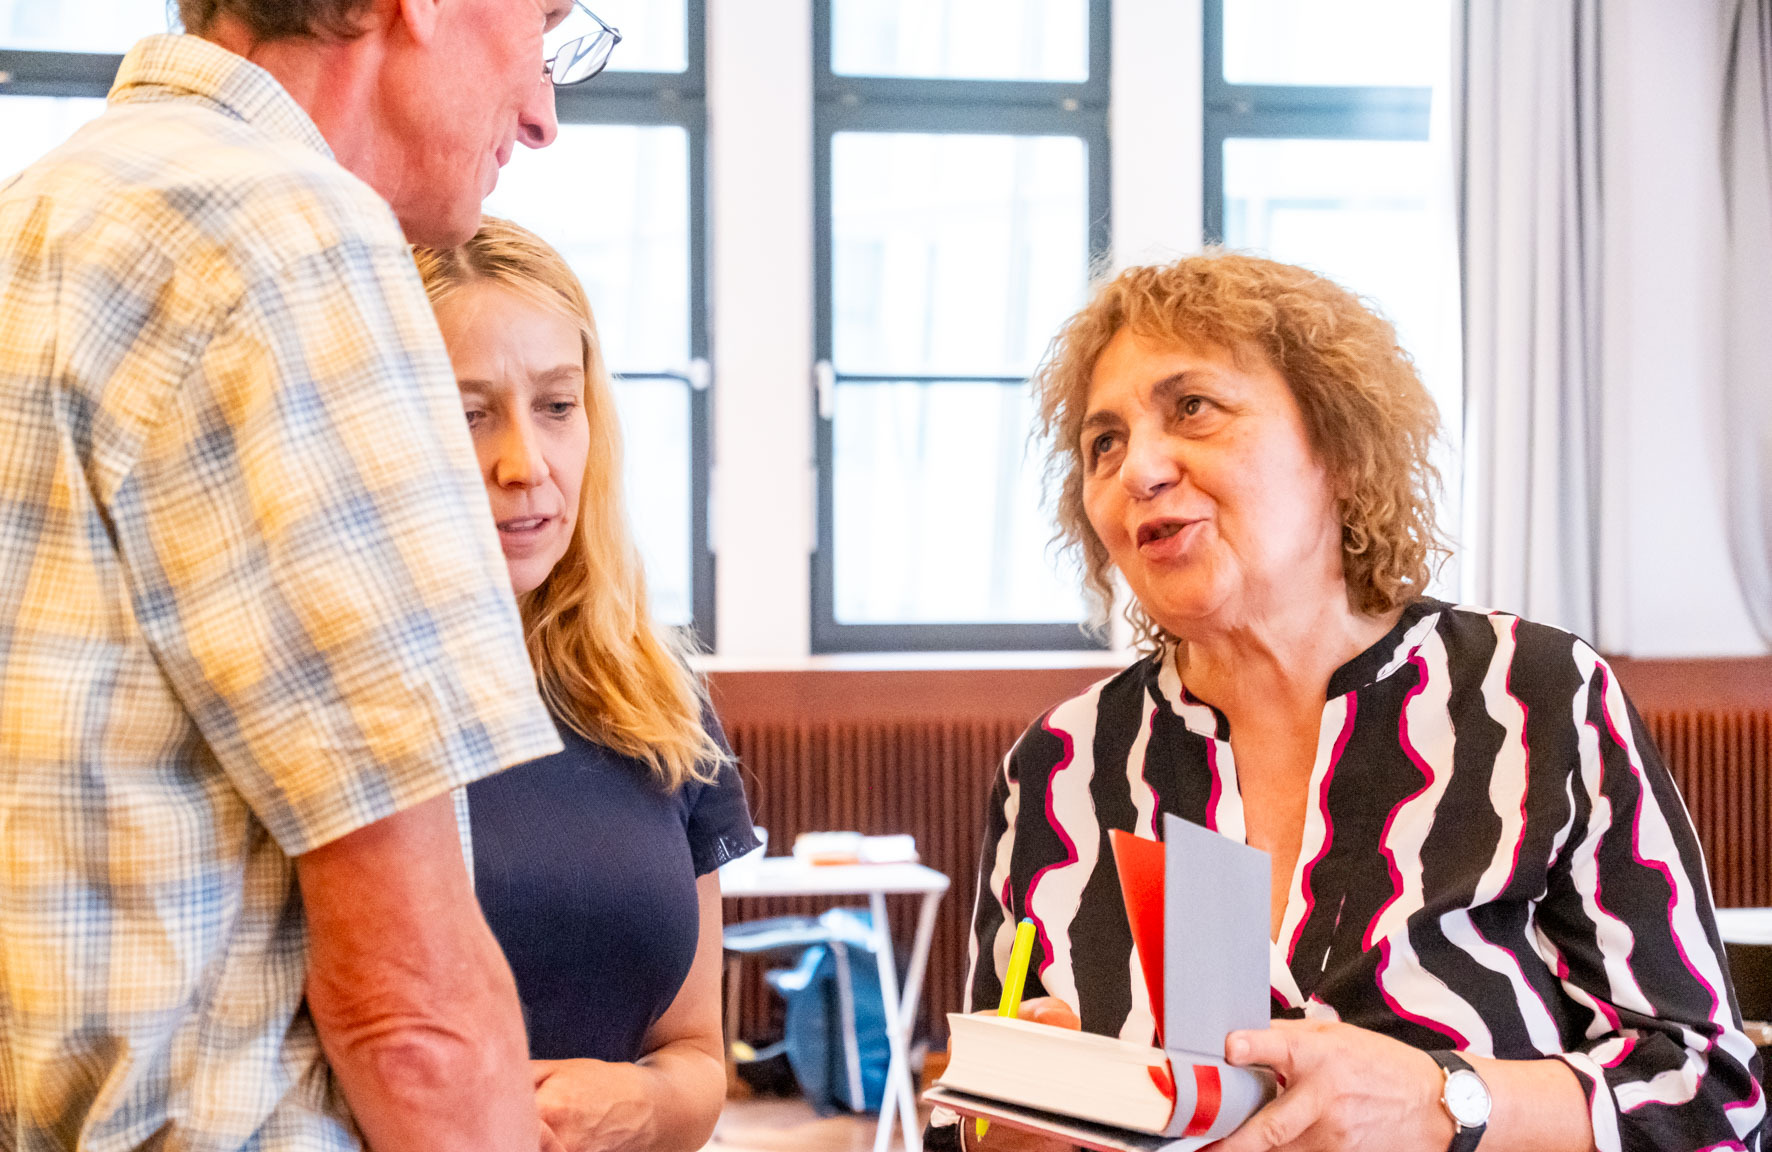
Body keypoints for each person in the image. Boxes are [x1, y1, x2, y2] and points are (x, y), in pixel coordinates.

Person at [937, 253, 1766, 1152]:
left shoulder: (1533, 696)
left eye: (1192, 409)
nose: (1138, 468)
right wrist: (1003, 1131)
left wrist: (1449, 1101)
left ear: (1335, 444)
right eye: (1103, 443)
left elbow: (1712, 1097)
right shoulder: (1057, 766)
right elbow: (973, 1115)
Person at [0, 2, 620, 1150]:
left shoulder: (38, 213)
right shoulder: (293, 236)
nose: (540, 114)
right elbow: (408, 1009)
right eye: (542, 21)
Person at [414, 217, 760, 1152]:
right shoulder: (342, 690)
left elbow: (694, 1055)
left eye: (557, 406)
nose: (524, 464)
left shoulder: (654, 693)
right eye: (468, 410)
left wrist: (640, 1108)